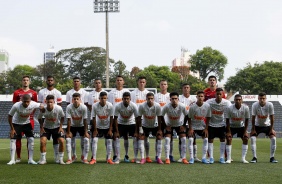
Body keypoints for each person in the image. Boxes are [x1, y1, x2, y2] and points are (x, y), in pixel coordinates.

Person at [7, 94, 43, 165]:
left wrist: (42, 107)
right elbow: (9, 116)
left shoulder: (33, 104)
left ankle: (30, 159)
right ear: (21, 101)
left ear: (30, 101)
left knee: (31, 140)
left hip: (27, 123)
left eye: (28, 102)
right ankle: (12, 160)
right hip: (16, 123)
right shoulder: (16, 105)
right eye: (25, 102)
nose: (26, 103)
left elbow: (41, 105)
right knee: (13, 139)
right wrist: (12, 128)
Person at [12, 75, 38, 163]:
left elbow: (34, 105)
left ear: (29, 82)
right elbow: (15, 106)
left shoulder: (34, 93)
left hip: (29, 119)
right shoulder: (16, 92)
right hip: (18, 119)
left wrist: (30, 114)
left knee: (29, 138)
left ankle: (29, 158)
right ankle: (18, 157)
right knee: (17, 137)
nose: (25, 82)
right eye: (24, 80)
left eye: (27, 80)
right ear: (22, 81)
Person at [38, 75, 62, 163]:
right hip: (45, 117)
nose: (50, 81)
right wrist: (43, 110)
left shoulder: (58, 92)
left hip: (54, 118)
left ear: (54, 81)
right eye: (48, 80)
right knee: (43, 139)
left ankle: (56, 158)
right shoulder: (41, 92)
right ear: (46, 81)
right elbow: (40, 105)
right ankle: (43, 158)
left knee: (56, 139)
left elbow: (59, 105)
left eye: (51, 80)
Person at [65, 76, 89, 161]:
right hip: (73, 125)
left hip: (82, 124)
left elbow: (85, 120)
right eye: (74, 99)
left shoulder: (84, 106)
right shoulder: (69, 106)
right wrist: (68, 132)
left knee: (85, 140)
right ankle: (72, 156)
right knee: (69, 140)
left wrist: (86, 132)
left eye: (77, 99)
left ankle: (84, 157)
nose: (76, 100)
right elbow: (68, 119)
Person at [161, 92, 189, 164]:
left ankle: (184, 158)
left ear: (178, 99)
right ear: (170, 99)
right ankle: (167, 158)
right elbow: (161, 115)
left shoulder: (182, 106)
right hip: (169, 125)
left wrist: (183, 125)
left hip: (179, 125)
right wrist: (165, 126)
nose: (174, 100)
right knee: (167, 139)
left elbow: (187, 115)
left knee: (183, 139)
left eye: (175, 98)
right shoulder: (166, 106)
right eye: (172, 99)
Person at [250, 92, 278, 163]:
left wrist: (271, 129)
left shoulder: (270, 105)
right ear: (258, 99)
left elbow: (272, 118)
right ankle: (254, 158)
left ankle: (272, 157)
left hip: (267, 125)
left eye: (263, 98)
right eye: (260, 98)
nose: (262, 100)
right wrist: (253, 129)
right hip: (257, 125)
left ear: (266, 99)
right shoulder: (254, 105)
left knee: (273, 139)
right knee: (252, 138)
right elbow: (253, 118)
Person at [108, 75, 130, 162]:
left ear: (123, 82)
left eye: (121, 80)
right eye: (117, 80)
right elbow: (109, 106)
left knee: (126, 136)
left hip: (125, 118)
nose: (119, 81)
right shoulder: (111, 93)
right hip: (115, 118)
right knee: (115, 136)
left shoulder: (127, 91)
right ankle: (115, 155)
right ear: (115, 82)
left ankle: (126, 155)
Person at [206, 88, 231, 164]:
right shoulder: (210, 102)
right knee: (210, 140)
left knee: (223, 140)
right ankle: (211, 157)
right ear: (215, 95)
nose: (219, 95)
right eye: (217, 94)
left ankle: (221, 157)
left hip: (221, 124)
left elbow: (231, 110)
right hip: (211, 124)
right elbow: (204, 106)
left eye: (220, 94)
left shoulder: (226, 103)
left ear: (222, 95)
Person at [113, 92, 139, 164]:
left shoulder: (134, 106)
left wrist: (137, 131)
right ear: (122, 99)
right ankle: (118, 158)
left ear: (130, 99)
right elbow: (115, 118)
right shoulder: (118, 106)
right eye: (125, 99)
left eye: (128, 99)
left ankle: (135, 157)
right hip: (121, 123)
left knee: (135, 138)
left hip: (131, 123)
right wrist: (116, 131)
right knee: (117, 138)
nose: (126, 100)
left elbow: (137, 118)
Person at [138, 92, 163, 164]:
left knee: (159, 138)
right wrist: (140, 128)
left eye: (151, 98)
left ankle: (158, 157)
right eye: (148, 99)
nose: (150, 100)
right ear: (146, 99)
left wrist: (159, 129)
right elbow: (139, 118)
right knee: (143, 139)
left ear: (154, 99)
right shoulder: (142, 106)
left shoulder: (157, 106)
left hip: (155, 125)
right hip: (145, 125)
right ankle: (144, 158)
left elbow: (159, 118)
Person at [90, 92, 114, 165]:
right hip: (98, 126)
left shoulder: (110, 106)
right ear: (99, 98)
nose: (103, 100)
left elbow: (111, 117)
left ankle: (109, 158)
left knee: (109, 141)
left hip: (107, 126)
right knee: (94, 140)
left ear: (107, 98)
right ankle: (94, 159)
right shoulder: (95, 106)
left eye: (104, 98)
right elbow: (93, 118)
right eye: (102, 98)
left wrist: (110, 130)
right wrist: (95, 130)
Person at [187, 90, 211, 164]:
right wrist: (190, 128)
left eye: (202, 96)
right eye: (199, 96)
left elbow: (208, 117)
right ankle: (192, 158)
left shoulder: (207, 106)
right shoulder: (192, 107)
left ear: (204, 97)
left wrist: (206, 128)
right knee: (191, 140)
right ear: (196, 97)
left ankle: (204, 158)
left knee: (206, 140)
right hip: (193, 126)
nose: (200, 98)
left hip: (202, 126)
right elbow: (189, 118)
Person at [130, 76, 150, 163]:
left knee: (146, 138)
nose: (142, 83)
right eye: (140, 82)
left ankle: (147, 156)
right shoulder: (133, 93)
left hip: (145, 119)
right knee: (135, 138)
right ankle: (135, 157)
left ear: (145, 83)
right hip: (135, 119)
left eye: (143, 82)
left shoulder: (148, 93)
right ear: (137, 83)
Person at [226, 94, 250, 164]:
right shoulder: (230, 108)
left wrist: (245, 132)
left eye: (239, 99)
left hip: (241, 126)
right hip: (232, 126)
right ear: (234, 100)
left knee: (245, 138)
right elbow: (227, 120)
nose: (238, 101)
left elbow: (247, 120)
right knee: (228, 138)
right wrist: (228, 132)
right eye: (236, 100)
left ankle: (243, 158)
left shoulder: (246, 108)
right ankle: (229, 158)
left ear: (241, 100)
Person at [178, 83, 198, 162]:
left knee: (193, 139)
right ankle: (181, 156)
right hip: (181, 121)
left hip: (191, 122)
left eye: (187, 87)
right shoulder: (179, 98)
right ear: (182, 89)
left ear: (190, 89)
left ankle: (195, 156)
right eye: (184, 87)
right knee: (181, 139)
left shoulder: (194, 99)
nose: (186, 89)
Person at [154, 80, 171, 161]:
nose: (163, 86)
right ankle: (157, 155)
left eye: (165, 84)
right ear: (159, 86)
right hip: (158, 120)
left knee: (168, 138)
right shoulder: (156, 96)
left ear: (167, 86)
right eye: (162, 84)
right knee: (158, 138)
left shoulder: (170, 96)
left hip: (168, 120)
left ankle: (170, 155)